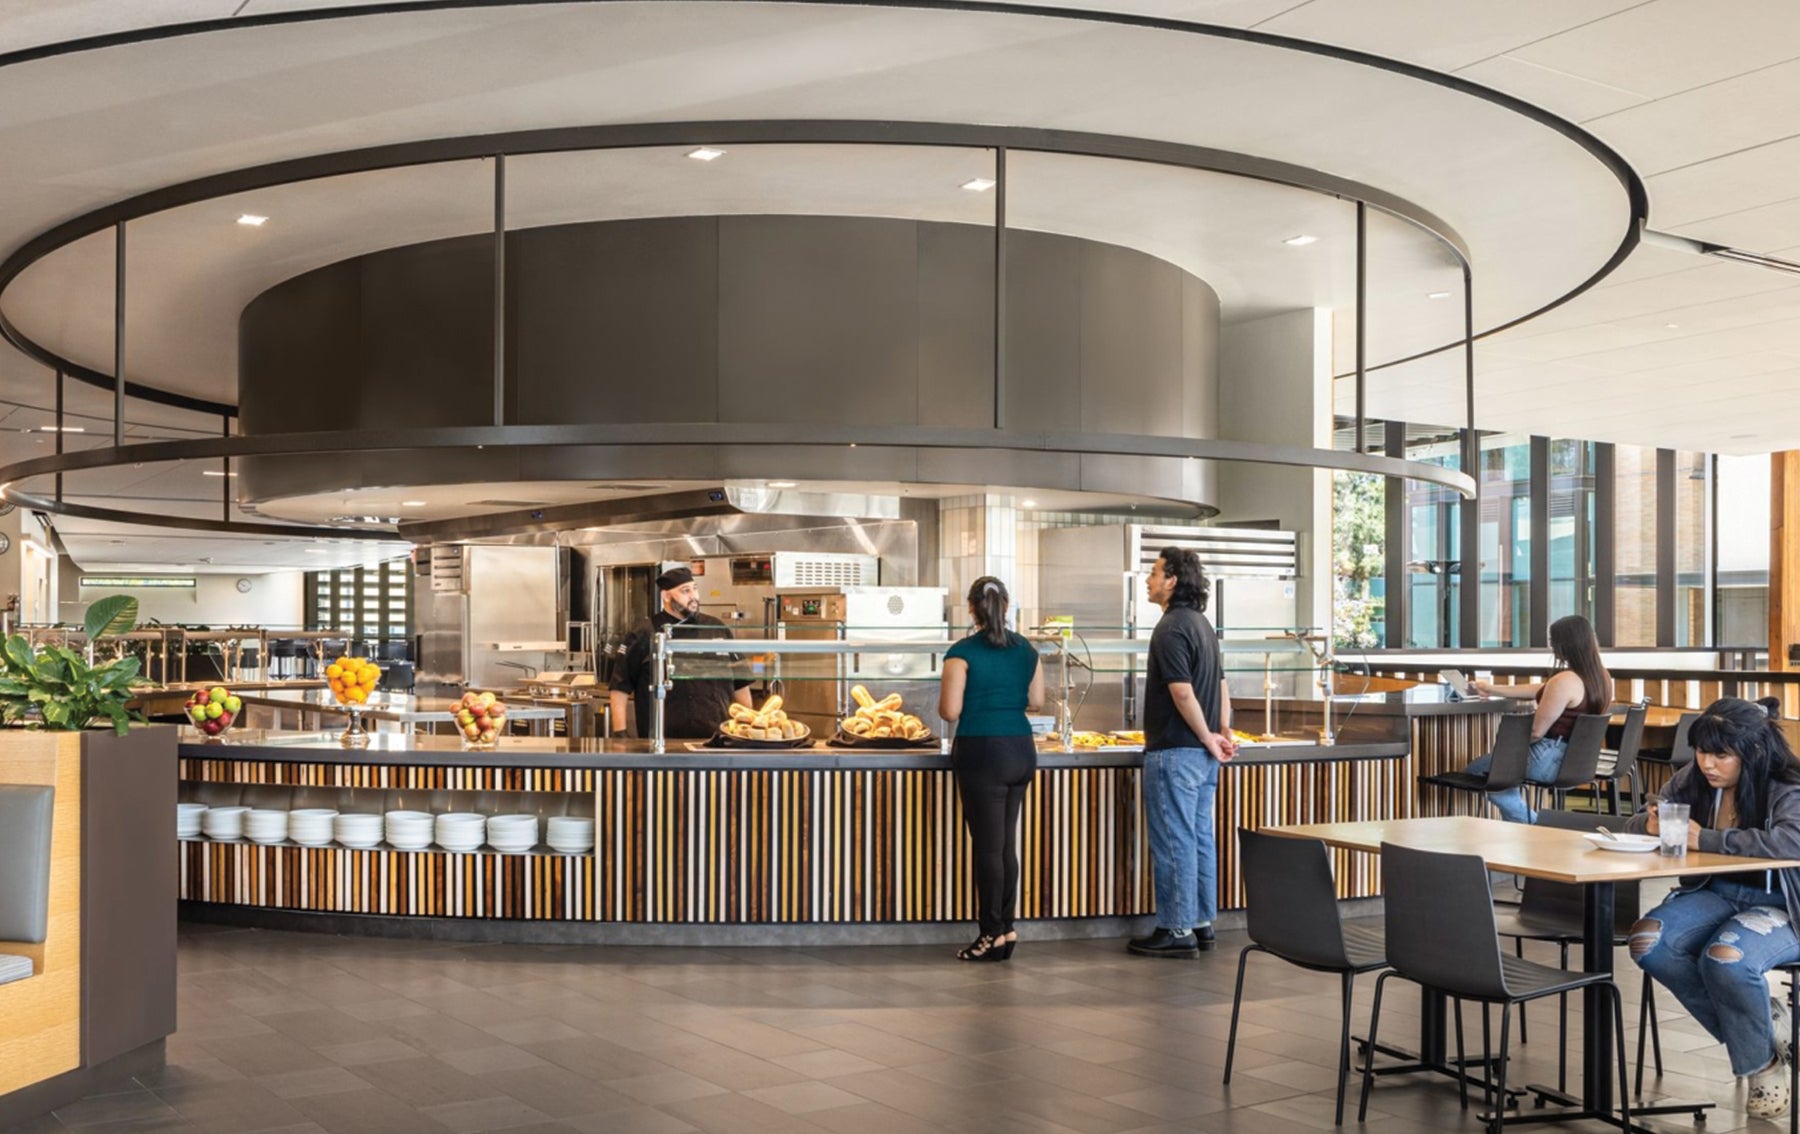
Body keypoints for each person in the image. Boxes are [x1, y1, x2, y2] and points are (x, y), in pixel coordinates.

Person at [1626, 697, 1800, 1119]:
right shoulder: (1696, 777)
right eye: (1702, 751)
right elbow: (1642, 821)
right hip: (1716, 893)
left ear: (1753, 751)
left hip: (1782, 905)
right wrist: (1646, 823)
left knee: (1726, 959)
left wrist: (1704, 839)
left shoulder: (1786, 786)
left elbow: (1791, 842)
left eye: (1721, 754)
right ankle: (1764, 1040)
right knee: (1647, 942)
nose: (1707, 763)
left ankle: (1761, 1067)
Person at [1129, 546, 1235, 959]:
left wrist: (1211, 737)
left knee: (1175, 840)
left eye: (1154, 572)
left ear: (1172, 580)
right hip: (1202, 753)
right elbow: (1221, 684)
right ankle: (1200, 922)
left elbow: (1181, 690)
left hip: (1176, 751)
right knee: (1197, 838)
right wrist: (1221, 731)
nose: (1148, 580)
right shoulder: (1202, 625)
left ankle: (1176, 929)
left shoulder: (1171, 627)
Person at [939, 576, 1044, 962]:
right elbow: (1036, 701)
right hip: (1020, 749)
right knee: (1005, 846)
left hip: (982, 751)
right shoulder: (1026, 650)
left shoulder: (962, 651)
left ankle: (990, 933)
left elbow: (949, 711)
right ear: (1007, 604)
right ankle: (1006, 929)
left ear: (971, 608)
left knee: (987, 847)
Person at [1461, 614, 1613, 823]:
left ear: (1564, 644)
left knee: (1478, 770)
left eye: (1552, 641)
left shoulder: (1564, 680)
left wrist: (1509, 751)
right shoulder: (1601, 676)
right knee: (1502, 773)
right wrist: (1491, 688)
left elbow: (1535, 732)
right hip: (1578, 761)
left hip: (1548, 758)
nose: (1551, 647)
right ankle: (1523, 826)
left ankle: (1532, 823)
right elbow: (1542, 689)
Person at [608, 565, 752, 740]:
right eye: (685, 591)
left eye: (695, 589)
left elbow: (741, 683)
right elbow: (619, 687)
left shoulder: (717, 628)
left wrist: (748, 729)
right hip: (662, 742)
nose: (694, 596)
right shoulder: (644, 633)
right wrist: (620, 734)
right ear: (666, 596)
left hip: (717, 739)